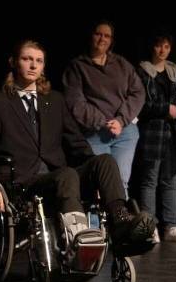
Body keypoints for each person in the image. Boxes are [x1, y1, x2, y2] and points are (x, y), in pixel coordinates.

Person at [0, 39, 157, 246]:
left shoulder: (55, 100)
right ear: (13, 62)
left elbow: (76, 142)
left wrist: (95, 177)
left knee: (104, 161)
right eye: (27, 59)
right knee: (66, 174)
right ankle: (79, 237)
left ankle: (121, 223)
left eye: (39, 61)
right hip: (23, 183)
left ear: (43, 66)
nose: (33, 65)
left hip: (59, 178)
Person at [62, 20, 145, 192]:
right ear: (90, 36)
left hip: (124, 133)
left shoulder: (122, 64)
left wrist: (121, 120)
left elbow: (138, 92)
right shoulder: (77, 66)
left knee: (121, 182)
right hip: (95, 134)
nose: (102, 39)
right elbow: (75, 102)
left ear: (111, 40)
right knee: (100, 184)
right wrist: (102, 122)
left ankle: (120, 211)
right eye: (98, 34)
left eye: (107, 36)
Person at [135, 33, 176, 243]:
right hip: (152, 133)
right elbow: (139, 104)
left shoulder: (175, 74)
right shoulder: (141, 72)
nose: (162, 50)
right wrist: (164, 109)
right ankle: (149, 227)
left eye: (166, 47)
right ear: (152, 47)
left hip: (174, 134)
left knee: (170, 180)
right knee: (150, 180)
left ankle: (170, 226)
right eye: (159, 46)